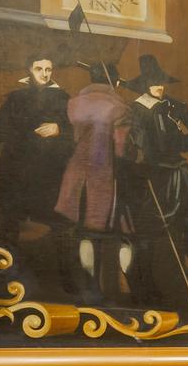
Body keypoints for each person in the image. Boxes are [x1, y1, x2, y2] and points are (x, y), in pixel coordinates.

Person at [120, 54, 188, 298]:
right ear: (144, 84)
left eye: (161, 81)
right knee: (149, 229)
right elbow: (159, 146)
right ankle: (144, 286)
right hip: (153, 176)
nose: (159, 86)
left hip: (179, 173)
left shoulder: (173, 105)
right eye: (153, 82)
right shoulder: (135, 111)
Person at [0, 53, 72, 244]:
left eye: (48, 69)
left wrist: (59, 129)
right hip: (16, 165)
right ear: (29, 70)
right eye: (39, 69)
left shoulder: (63, 97)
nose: (44, 74)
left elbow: (76, 129)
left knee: (45, 223)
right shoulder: (17, 97)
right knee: (11, 219)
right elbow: (0, 126)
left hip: (47, 168)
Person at [53, 59, 134, 297]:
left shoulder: (73, 103)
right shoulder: (121, 108)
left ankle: (89, 283)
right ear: (114, 81)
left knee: (83, 231)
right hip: (106, 176)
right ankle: (120, 283)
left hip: (76, 174)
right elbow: (121, 148)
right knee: (122, 234)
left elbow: (70, 137)